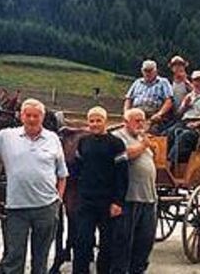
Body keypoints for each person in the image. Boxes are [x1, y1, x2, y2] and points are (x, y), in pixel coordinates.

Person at [0, 98, 68, 274]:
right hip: (16, 209)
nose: (31, 119)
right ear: (21, 116)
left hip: (46, 208)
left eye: (35, 116)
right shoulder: (7, 136)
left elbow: (62, 174)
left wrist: (58, 200)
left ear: (42, 117)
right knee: (14, 258)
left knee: (41, 258)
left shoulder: (53, 139)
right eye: (28, 115)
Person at [72, 106, 128, 274]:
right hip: (86, 201)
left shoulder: (116, 144)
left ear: (106, 121)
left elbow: (122, 175)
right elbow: (77, 169)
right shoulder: (83, 142)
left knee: (107, 245)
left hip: (108, 202)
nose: (95, 124)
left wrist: (118, 202)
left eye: (98, 120)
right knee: (82, 241)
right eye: (92, 121)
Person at [110, 108, 157, 274]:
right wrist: (144, 145)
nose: (141, 124)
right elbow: (120, 156)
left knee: (145, 242)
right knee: (123, 244)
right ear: (126, 121)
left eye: (142, 120)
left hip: (149, 198)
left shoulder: (140, 137)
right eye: (136, 120)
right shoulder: (118, 137)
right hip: (129, 199)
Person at [167, 70, 200, 164]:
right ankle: (163, 160)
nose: (197, 83)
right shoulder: (189, 96)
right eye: (195, 80)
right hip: (185, 122)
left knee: (185, 136)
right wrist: (185, 106)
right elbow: (178, 114)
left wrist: (197, 124)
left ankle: (171, 161)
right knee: (169, 132)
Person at [124, 60, 173, 134]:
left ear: (155, 71)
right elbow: (128, 99)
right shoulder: (137, 82)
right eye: (145, 71)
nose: (147, 73)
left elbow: (169, 100)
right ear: (142, 71)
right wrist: (126, 113)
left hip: (153, 114)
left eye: (150, 71)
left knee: (150, 131)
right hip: (137, 112)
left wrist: (159, 114)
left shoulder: (163, 82)